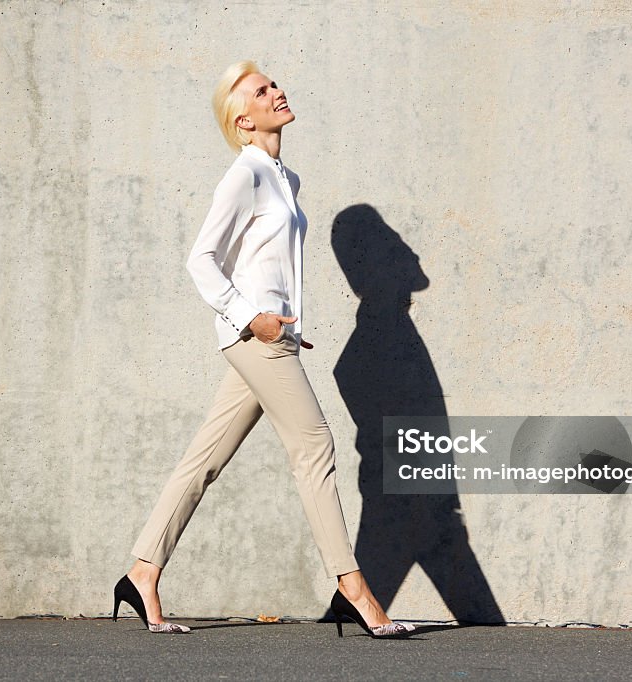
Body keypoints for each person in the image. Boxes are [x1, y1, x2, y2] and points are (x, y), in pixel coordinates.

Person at [112, 61, 414, 638]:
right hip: (253, 337)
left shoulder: (285, 178)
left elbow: (266, 263)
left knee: (203, 460)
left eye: (274, 84)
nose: (277, 92)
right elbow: (201, 259)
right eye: (261, 90)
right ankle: (353, 588)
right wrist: (253, 317)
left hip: (272, 336)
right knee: (315, 445)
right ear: (243, 119)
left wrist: (287, 323)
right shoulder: (246, 174)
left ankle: (142, 570)